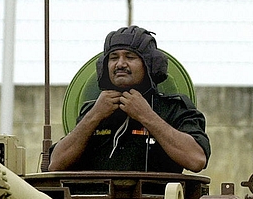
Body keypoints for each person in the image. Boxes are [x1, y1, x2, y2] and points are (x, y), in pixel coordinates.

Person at [48, 26, 210, 173]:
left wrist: (146, 115)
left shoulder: (174, 108)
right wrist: (94, 116)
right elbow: (56, 164)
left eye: (130, 57)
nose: (120, 64)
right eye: (113, 57)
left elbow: (196, 160)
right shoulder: (92, 110)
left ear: (150, 65)